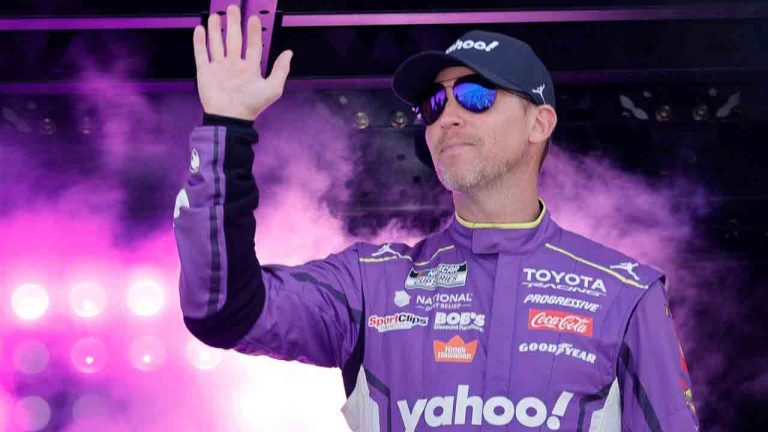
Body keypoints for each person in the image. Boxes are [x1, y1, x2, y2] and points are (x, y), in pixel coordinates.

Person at [173, 5, 699, 431]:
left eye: (475, 95)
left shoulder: (625, 292)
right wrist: (227, 126)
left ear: (539, 123)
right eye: (433, 104)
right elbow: (222, 309)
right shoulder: (371, 282)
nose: (448, 116)